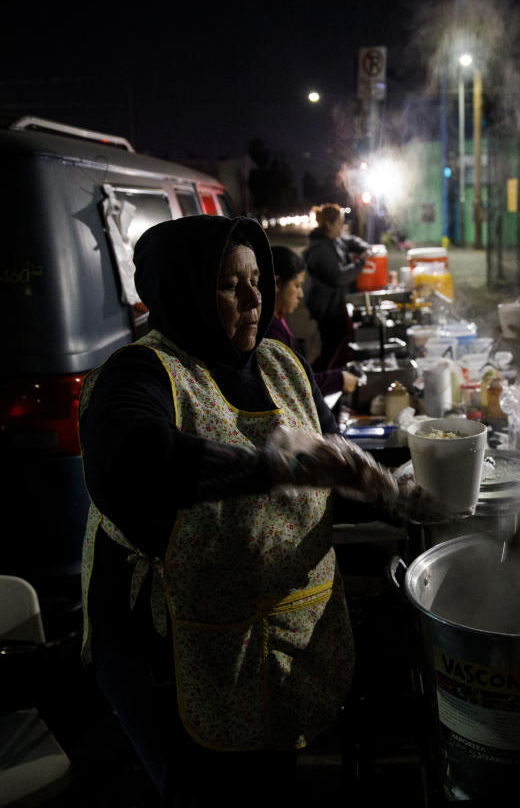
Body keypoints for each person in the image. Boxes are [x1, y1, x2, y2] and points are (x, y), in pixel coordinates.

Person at [77, 215, 413, 804]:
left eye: (259, 279)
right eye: (231, 285)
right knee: (209, 794)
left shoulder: (281, 364)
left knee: (274, 782)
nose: (256, 298)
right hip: (179, 652)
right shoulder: (141, 374)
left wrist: (396, 491)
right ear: (183, 293)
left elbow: (332, 463)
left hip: (289, 631)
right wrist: (270, 467)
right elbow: (132, 462)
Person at [268, 245, 358, 400]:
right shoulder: (270, 334)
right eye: (296, 285)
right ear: (276, 284)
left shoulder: (278, 321)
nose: (300, 294)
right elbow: (294, 386)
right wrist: (338, 379)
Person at [303, 203, 369, 371]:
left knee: (336, 345)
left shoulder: (333, 240)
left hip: (335, 305)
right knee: (331, 348)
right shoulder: (320, 250)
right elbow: (339, 277)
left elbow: (351, 240)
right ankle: (321, 379)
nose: (343, 226)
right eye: (340, 222)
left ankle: (327, 377)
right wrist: (361, 262)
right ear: (329, 224)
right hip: (327, 310)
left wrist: (364, 248)